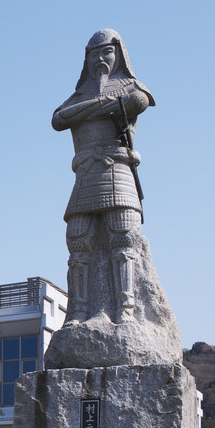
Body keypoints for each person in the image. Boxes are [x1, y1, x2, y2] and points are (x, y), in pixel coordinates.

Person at [52, 29, 154, 323]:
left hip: (117, 171)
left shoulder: (130, 87)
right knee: (78, 240)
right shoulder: (78, 96)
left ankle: (125, 309)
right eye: (94, 54)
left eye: (106, 51)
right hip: (86, 174)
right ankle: (79, 310)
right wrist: (101, 104)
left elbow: (138, 102)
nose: (100, 58)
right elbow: (58, 119)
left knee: (123, 236)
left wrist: (86, 111)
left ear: (119, 53)